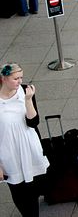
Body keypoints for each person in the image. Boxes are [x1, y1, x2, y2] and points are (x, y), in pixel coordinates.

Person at [0, 63, 48, 217]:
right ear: (4, 79)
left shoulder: (25, 90)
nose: (20, 81)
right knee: (17, 189)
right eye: (16, 78)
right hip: (9, 151)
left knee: (32, 187)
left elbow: (33, 122)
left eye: (21, 77)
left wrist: (28, 100)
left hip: (28, 146)